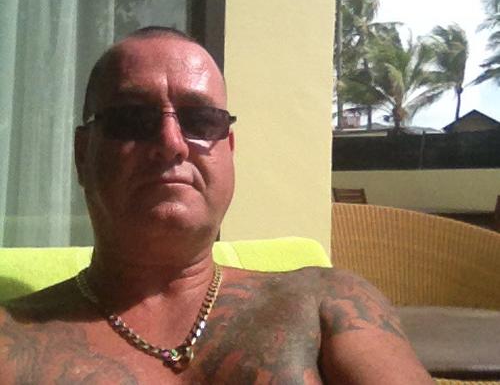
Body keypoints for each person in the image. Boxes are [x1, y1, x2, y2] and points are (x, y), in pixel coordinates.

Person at [0, 27, 433, 384]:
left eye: (201, 121)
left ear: (229, 149)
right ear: (82, 154)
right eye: (132, 119)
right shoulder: (14, 338)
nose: (172, 144)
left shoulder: (328, 302)